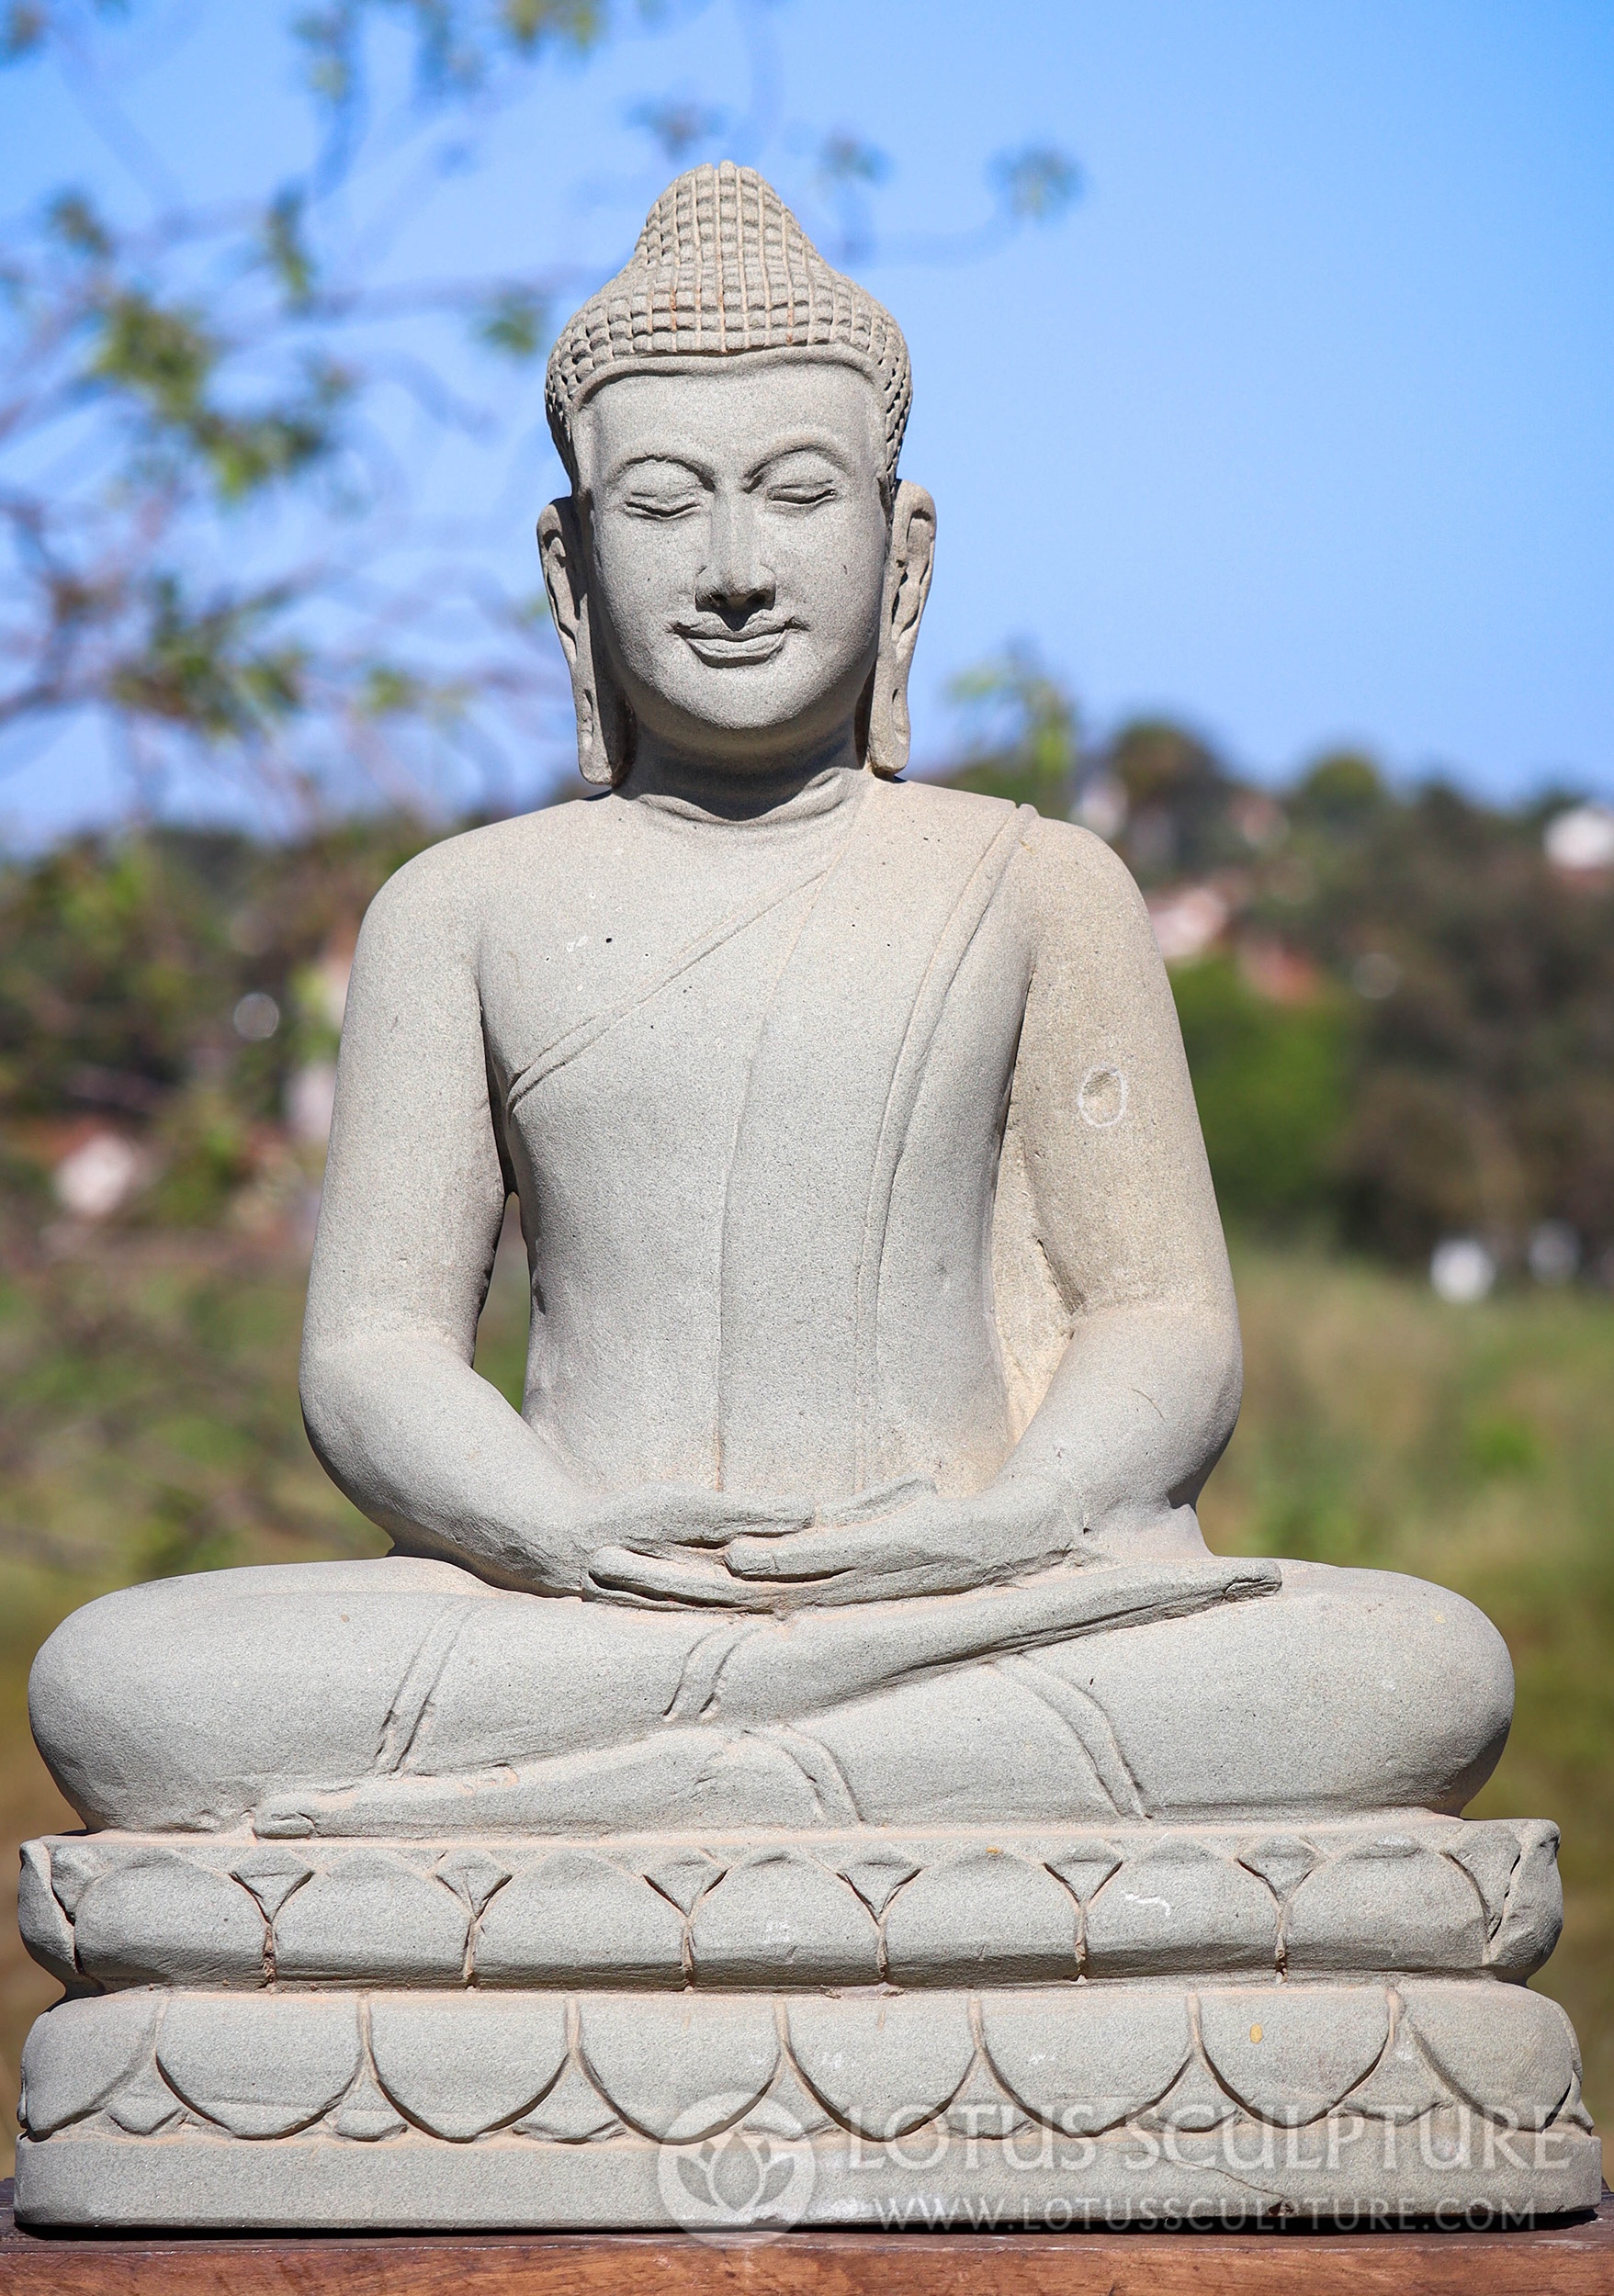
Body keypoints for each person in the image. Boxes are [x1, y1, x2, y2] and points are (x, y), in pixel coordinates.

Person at [30, 164, 1511, 1844]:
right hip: (574, 1618)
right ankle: (788, 1784)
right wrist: (563, 1540)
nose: (735, 568)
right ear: (569, 564)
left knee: (1408, 1672)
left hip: (962, 1603)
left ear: (904, 543)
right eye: (663, 507)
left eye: (797, 495)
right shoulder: (458, 909)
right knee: (123, 1685)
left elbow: (1161, 1317)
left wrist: (1005, 1527)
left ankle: (670, 1802)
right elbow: (374, 1352)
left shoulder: (1035, 883)